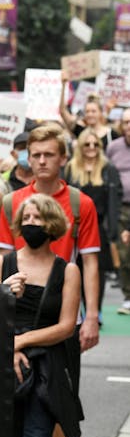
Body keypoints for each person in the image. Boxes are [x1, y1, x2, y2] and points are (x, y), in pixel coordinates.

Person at [0, 194, 82, 437]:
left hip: (46, 370)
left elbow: (66, 327)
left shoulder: (68, 270)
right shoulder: (0, 264)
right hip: (3, 365)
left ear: (52, 224)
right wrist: (4, 295)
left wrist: (21, 341)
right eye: (25, 217)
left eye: (37, 218)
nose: (30, 223)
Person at [0, 124, 100, 352]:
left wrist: (92, 316)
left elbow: (90, 262)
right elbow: (4, 261)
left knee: (61, 384)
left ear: (63, 159)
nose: (42, 161)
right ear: (28, 159)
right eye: (36, 155)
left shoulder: (81, 204)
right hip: (17, 312)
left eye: (49, 155)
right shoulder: (12, 202)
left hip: (62, 309)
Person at [64, 127, 122, 319]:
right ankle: (75, 306)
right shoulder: (71, 168)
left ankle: (95, 309)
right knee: (74, 266)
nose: (91, 147)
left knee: (98, 269)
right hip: (74, 225)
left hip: (99, 226)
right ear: (80, 146)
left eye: (95, 144)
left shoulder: (108, 169)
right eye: (87, 144)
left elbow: (115, 199)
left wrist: (113, 229)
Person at [106, 108, 130, 314]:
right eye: (126, 122)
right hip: (121, 207)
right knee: (123, 251)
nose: (129, 126)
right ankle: (128, 295)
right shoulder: (114, 148)